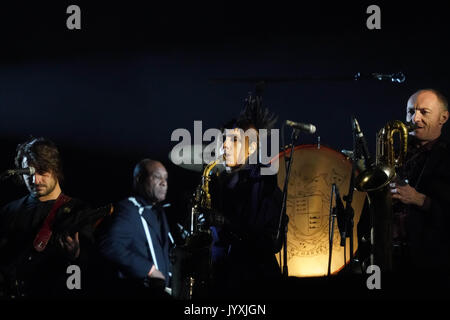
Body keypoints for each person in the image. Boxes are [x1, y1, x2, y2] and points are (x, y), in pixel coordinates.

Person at [0, 137, 108, 299]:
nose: (35, 180)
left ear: (55, 168)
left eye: (42, 171)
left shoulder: (78, 211)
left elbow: (81, 280)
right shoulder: (9, 210)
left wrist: (76, 257)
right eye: (28, 172)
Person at [207, 93, 285, 299]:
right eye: (224, 139)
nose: (224, 145)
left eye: (233, 140)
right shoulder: (220, 181)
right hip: (222, 279)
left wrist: (225, 222)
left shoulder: (264, 183)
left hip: (254, 284)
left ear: (251, 147)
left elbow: (269, 243)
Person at [389, 89, 450, 295]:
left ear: (444, 117)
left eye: (424, 112)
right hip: (390, 256)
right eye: (410, 112)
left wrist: (420, 200)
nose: (415, 118)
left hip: (431, 263)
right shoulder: (396, 153)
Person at [99, 159, 173, 299]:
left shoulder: (159, 212)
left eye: (166, 178)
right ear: (139, 179)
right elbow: (109, 246)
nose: (164, 183)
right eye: (157, 177)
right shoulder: (128, 209)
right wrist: (148, 270)